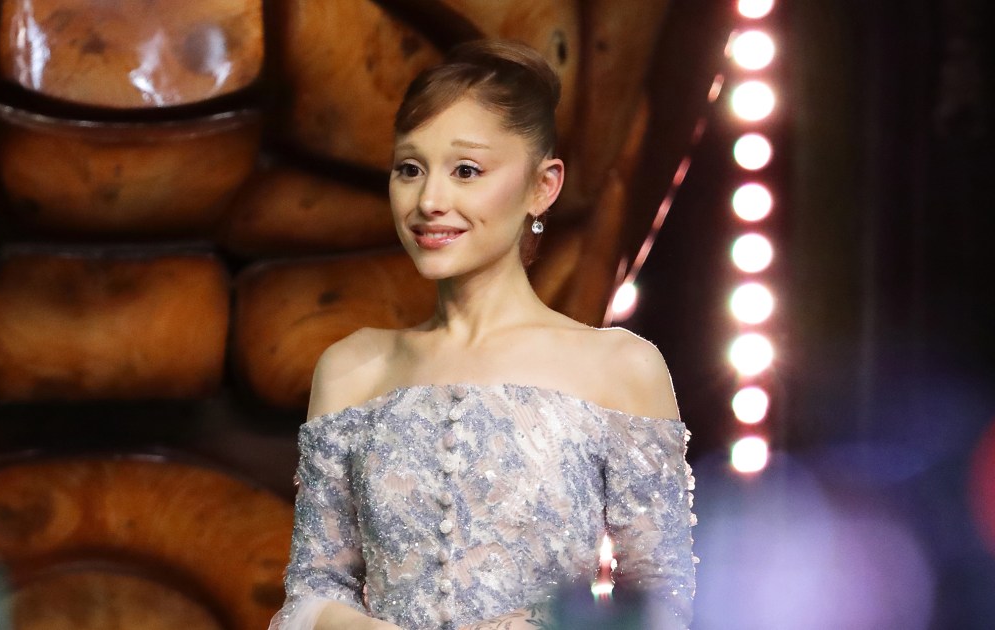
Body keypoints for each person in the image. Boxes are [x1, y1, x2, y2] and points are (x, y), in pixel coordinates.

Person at [268, 39, 696, 630]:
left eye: (466, 171)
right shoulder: (352, 367)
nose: (429, 201)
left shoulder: (620, 366)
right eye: (409, 169)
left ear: (543, 186)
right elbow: (311, 593)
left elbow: (663, 603)